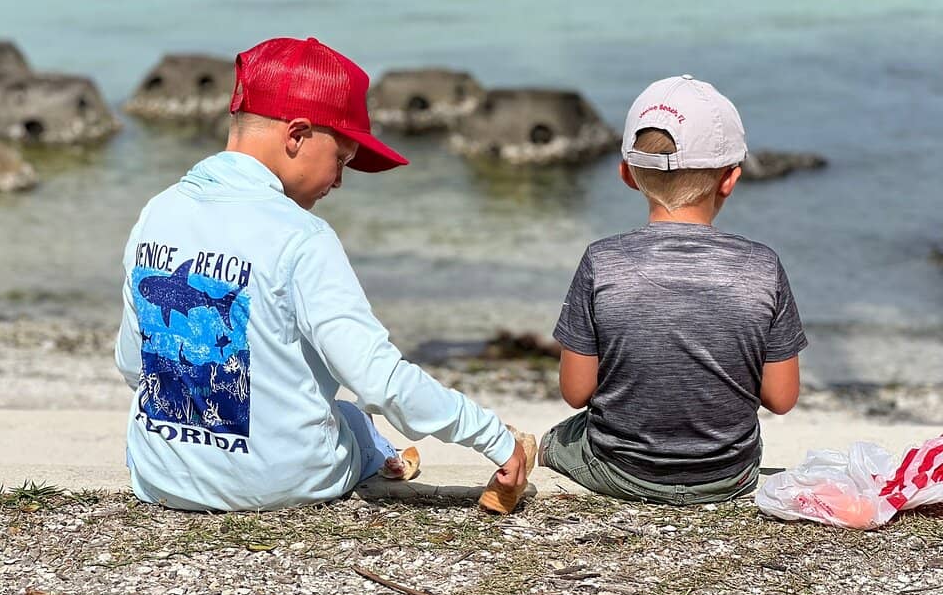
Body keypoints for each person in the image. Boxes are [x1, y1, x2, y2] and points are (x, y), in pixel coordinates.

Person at [114, 36, 527, 511]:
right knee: (350, 416)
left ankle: (372, 447)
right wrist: (494, 436)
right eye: (342, 159)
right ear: (296, 135)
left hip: (162, 479)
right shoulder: (303, 236)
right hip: (283, 483)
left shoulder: (158, 211)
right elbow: (379, 380)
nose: (340, 180)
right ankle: (380, 452)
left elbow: (132, 362)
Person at [539, 75, 807, 505]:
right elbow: (781, 398)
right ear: (730, 179)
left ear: (627, 174)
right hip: (728, 475)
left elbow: (575, 393)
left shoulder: (601, 261)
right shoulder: (763, 266)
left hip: (620, 470)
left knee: (558, 438)